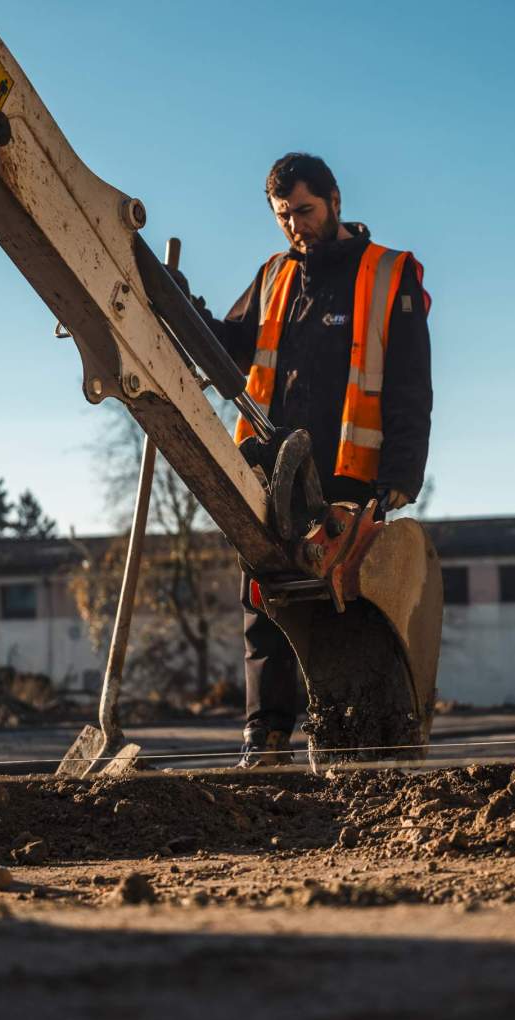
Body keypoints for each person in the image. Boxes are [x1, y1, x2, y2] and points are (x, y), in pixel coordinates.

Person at [193, 153, 432, 765]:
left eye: (304, 210)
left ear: (335, 200)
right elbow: (231, 347)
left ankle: (358, 741)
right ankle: (265, 738)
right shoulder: (274, 275)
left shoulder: (387, 274)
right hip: (270, 473)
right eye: (282, 216)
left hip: (351, 473)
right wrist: (182, 313)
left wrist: (401, 478)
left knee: (344, 601)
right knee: (265, 597)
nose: (295, 226)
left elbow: (410, 384)